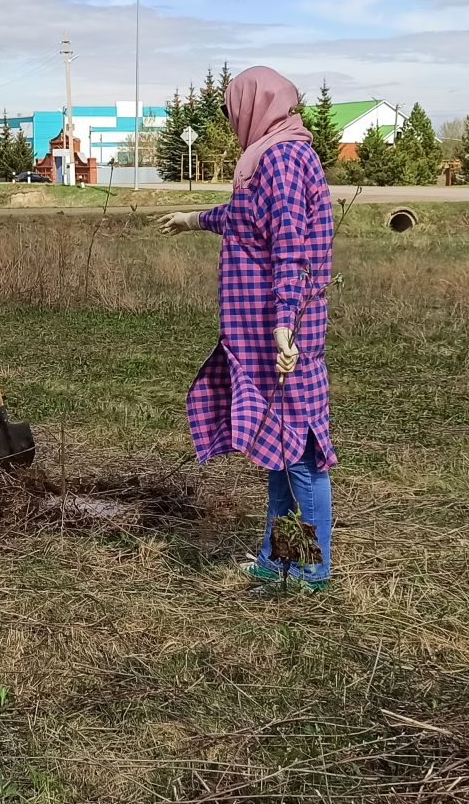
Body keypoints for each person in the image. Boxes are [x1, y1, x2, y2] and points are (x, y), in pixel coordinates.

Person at [156, 66, 337, 594]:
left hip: (279, 332)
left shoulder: (280, 158)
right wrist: (192, 219)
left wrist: (285, 325)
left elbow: (290, 246)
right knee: (279, 450)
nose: (234, 119)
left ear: (254, 105)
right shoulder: (275, 155)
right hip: (261, 332)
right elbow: (244, 215)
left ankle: (313, 570)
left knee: (301, 453)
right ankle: (280, 558)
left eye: (235, 108)